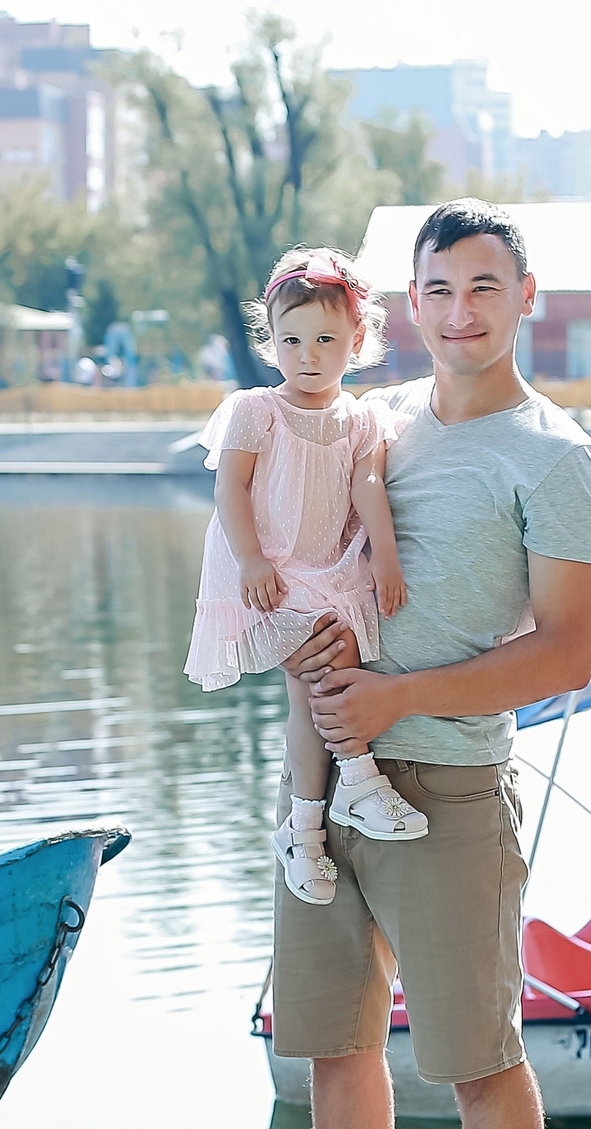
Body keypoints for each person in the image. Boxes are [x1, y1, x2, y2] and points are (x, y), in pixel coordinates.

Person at [213, 201, 591, 1129]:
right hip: (329, 784)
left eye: (483, 289)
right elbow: (278, 529)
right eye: (438, 291)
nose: (459, 313)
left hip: (444, 780)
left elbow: (570, 653)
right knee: (333, 1040)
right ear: (409, 305)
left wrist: (398, 699)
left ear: (524, 297)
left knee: (478, 1057)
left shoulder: (555, 457)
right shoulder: (368, 422)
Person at [185, 247, 426, 906]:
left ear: (357, 340)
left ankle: (307, 831)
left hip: (326, 567)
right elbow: (230, 489)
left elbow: (369, 484)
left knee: (327, 676)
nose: (308, 355)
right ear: (272, 342)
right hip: (267, 569)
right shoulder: (256, 411)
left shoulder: (362, 418)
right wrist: (252, 560)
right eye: (291, 340)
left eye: (325, 339)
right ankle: (356, 778)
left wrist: (387, 554)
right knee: (320, 674)